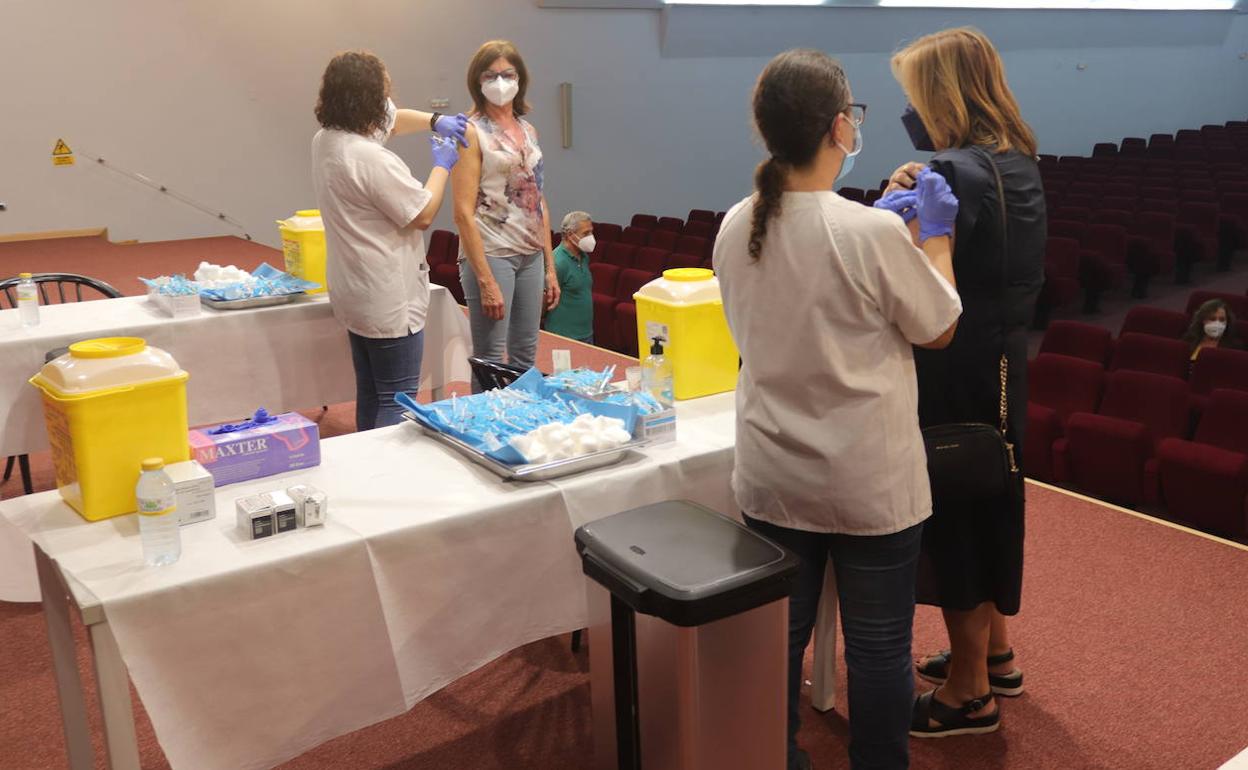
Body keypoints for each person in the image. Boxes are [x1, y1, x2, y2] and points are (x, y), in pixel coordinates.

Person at [713, 49, 963, 770]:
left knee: (780, 640)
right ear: (837, 127)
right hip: (867, 477)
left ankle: (776, 757)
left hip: (773, 470)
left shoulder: (737, 223)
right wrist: (934, 239)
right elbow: (939, 325)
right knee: (880, 644)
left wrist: (882, 234)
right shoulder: (871, 232)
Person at [882, 27, 1046, 737]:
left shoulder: (954, 171)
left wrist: (896, 200)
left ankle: (969, 692)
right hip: (1007, 359)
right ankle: (996, 652)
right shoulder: (1017, 161)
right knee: (995, 498)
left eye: (915, 94)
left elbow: (919, 278)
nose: (911, 109)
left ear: (941, 93)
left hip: (955, 366)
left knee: (957, 517)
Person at [311, 50, 468, 431]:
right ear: (368, 99)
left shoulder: (326, 139)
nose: (389, 99)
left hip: (355, 290)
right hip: (386, 297)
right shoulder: (370, 158)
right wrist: (442, 165)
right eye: (384, 91)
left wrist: (435, 119)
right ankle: (389, 476)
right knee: (397, 399)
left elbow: (393, 121)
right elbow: (423, 214)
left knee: (371, 390)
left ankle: (368, 470)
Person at [453, 40, 560, 388]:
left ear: (520, 78)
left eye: (507, 74)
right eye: (491, 75)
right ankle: (482, 435)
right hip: (492, 253)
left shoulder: (529, 131)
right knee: (489, 357)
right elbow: (463, 213)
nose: (500, 82)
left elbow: (537, 201)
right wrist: (485, 280)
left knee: (525, 356)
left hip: (530, 253)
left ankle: (518, 427)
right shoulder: (471, 131)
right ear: (477, 81)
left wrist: (550, 266)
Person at [544, 211, 595, 344]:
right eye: (585, 233)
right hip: (563, 336)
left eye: (591, 232)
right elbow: (545, 299)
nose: (590, 237)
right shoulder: (558, 262)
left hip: (585, 333)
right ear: (569, 235)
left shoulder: (584, 257)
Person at [1183, 299, 1242, 367]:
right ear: (1203, 320)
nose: (1217, 323)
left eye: (1222, 319)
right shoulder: (1189, 339)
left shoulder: (1235, 347)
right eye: (1212, 319)